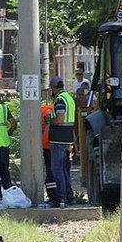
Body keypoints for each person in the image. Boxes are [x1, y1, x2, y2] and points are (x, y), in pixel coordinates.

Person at [47, 76, 76, 207]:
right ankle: (69, 197)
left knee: (57, 169)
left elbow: (59, 119)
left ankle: (61, 198)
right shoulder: (69, 98)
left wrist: (49, 120)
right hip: (67, 137)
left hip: (58, 138)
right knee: (64, 169)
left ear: (53, 87)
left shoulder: (59, 100)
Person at [40, 100, 58, 204]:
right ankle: (61, 196)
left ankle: (53, 196)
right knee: (60, 170)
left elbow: (47, 118)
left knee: (50, 171)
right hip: (60, 143)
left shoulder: (45, 110)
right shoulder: (60, 107)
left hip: (48, 144)